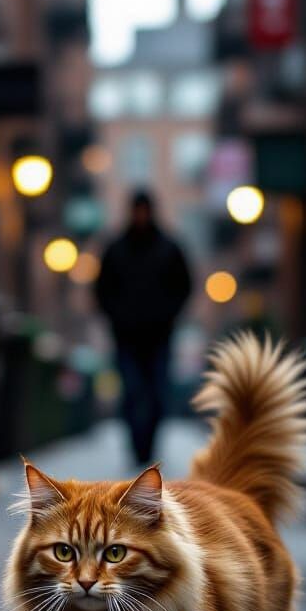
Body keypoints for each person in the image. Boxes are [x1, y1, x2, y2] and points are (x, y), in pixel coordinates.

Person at [95, 190, 192, 465]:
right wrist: (117, 317)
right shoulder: (115, 249)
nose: (140, 215)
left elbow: (184, 287)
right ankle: (137, 449)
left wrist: (168, 315)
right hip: (126, 338)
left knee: (157, 394)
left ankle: (149, 447)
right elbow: (102, 290)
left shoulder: (169, 248)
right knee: (133, 392)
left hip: (160, 337)